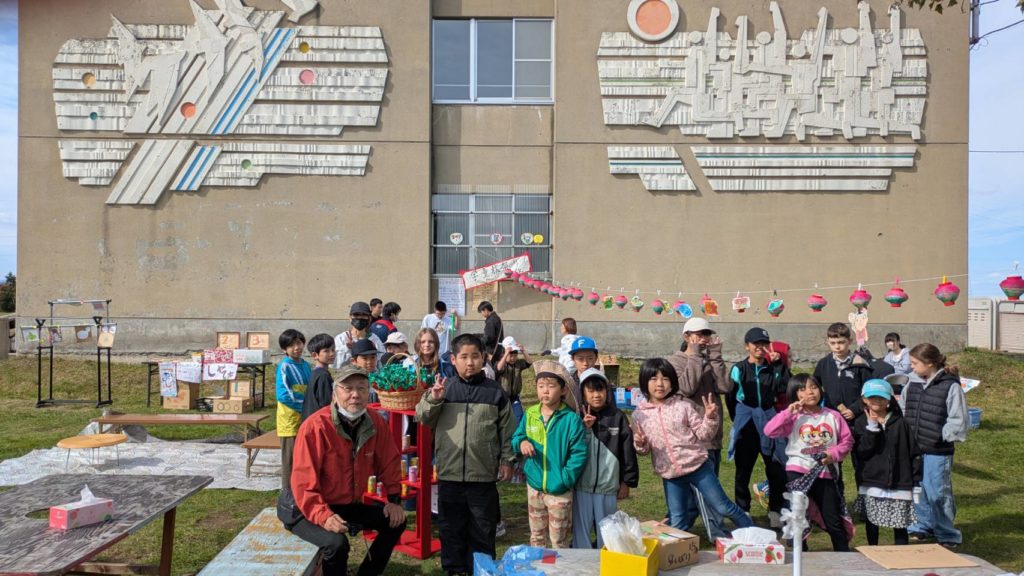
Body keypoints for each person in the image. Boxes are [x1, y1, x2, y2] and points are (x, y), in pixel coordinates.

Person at [288, 365, 407, 576]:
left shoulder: (375, 422)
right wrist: (323, 516)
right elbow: (304, 484)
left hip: (346, 504)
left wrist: (394, 500)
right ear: (334, 394)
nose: (355, 395)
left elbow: (389, 461)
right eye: (348, 388)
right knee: (337, 545)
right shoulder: (315, 427)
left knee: (397, 521)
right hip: (302, 507)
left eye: (361, 388)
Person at [415, 334, 516, 575]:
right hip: (449, 474)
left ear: (484, 358)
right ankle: (454, 569)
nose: (470, 363)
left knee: (483, 529)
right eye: (463, 357)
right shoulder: (444, 388)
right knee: (451, 529)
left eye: (475, 356)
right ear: (453, 359)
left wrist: (507, 460)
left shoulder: (495, 392)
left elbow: (508, 430)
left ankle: (481, 570)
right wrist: (434, 399)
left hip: (482, 475)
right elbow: (422, 416)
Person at [633, 358, 753, 533]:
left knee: (723, 507)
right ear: (644, 382)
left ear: (672, 383)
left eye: (665, 379)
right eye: (653, 379)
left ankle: (756, 535)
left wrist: (710, 418)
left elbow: (704, 434)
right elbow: (643, 450)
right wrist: (640, 444)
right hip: (670, 474)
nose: (660, 384)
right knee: (678, 519)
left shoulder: (683, 406)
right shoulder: (639, 415)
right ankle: (678, 549)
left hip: (698, 467)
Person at [764, 374, 855, 551]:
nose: (810, 392)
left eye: (813, 387)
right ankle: (799, 554)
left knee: (832, 516)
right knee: (798, 516)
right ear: (795, 394)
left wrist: (833, 454)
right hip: (798, 471)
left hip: (825, 472)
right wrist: (788, 412)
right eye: (803, 389)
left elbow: (847, 441)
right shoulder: (793, 417)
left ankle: (843, 553)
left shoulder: (833, 416)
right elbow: (769, 431)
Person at [665, 317, 732, 537]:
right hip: (691, 437)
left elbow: (725, 386)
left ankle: (674, 528)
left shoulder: (709, 360)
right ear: (686, 336)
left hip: (712, 434)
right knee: (707, 494)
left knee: (702, 492)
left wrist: (716, 357)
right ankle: (717, 534)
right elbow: (686, 387)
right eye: (699, 334)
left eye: (707, 334)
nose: (704, 339)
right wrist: (694, 356)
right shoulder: (673, 362)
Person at [512, 360, 588, 549]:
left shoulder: (571, 420)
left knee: (559, 540)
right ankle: (538, 565)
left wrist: (565, 479)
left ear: (563, 390)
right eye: (541, 386)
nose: (545, 391)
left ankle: (560, 566)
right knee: (536, 537)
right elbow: (517, 436)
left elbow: (578, 454)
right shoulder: (530, 414)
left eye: (551, 386)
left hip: (560, 491)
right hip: (534, 487)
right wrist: (522, 443)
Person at [900, 343, 967, 549]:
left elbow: (958, 418)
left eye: (914, 363)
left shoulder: (950, 386)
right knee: (917, 489)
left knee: (937, 492)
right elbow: (903, 407)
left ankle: (946, 533)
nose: (911, 367)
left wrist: (942, 436)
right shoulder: (911, 383)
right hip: (914, 448)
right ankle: (922, 526)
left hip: (937, 450)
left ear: (929, 363)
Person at [726, 327, 789, 528]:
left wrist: (779, 365)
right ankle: (743, 510)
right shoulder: (739, 368)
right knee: (743, 469)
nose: (760, 348)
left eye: (764, 344)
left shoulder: (773, 368)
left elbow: (785, 387)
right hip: (747, 423)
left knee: (775, 468)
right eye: (756, 344)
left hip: (769, 421)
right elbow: (730, 397)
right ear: (747, 346)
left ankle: (775, 510)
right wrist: (739, 419)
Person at [572, 368, 639, 549]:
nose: (596, 395)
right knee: (581, 531)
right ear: (582, 393)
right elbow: (570, 449)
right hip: (581, 486)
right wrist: (584, 428)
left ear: (607, 392)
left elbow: (627, 452)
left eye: (600, 390)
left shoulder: (617, 417)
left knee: (608, 532)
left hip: (608, 486)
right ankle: (581, 560)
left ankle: (607, 559)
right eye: (591, 391)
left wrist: (627, 481)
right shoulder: (576, 417)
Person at [853, 379, 922, 546]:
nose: (877, 401)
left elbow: (913, 452)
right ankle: (873, 550)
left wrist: (915, 479)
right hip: (872, 481)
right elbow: (862, 452)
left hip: (900, 481)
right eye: (872, 397)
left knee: (900, 523)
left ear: (890, 400)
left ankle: (902, 553)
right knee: (872, 521)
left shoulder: (900, 423)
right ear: (864, 399)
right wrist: (872, 428)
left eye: (881, 397)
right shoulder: (861, 422)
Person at [813, 322, 876, 488]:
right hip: (832, 420)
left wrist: (855, 409)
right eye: (833, 343)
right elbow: (815, 387)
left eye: (841, 342)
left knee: (861, 461)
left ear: (850, 341)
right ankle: (836, 497)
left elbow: (869, 392)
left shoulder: (860, 365)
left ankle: (864, 496)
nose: (837, 347)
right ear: (827, 342)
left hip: (858, 420)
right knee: (832, 460)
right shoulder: (824, 364)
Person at [276, 329, 311, 489]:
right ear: (284, 349)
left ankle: (302, 489)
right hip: (290, 420)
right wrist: (304, 406)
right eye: (291, 345)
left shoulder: (306, 365)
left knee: (304, 456)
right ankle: (288, 493)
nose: (297, 348)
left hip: (305, 418)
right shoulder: (284, 366)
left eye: (299, 343)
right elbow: (283, 394)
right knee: (289, 459)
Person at [334, 301, 384, 369]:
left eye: (364, 315)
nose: (360, 318)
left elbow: (381, 364)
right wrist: (346, 349)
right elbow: (335, 365)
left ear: (369, 319)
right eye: (356, 315)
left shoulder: (374, 339)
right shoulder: (341, 339)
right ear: (350, 318)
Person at [496, 336, 532, 424]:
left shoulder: (518, 364)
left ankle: (518, 430)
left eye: (515, 356)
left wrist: (523, 351)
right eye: (510, 356)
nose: (513, 358)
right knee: (502, 417)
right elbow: (498, 368)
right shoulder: (502, 364)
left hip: (514, 396)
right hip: (502, 396)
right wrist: (505, 355)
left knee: (519, 416)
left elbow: (529, 362)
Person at [301, 333, 336, 422]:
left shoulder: (316, 373)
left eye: (333, 349)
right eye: (326, 351)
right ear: (315, 355)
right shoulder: (323, 376)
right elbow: (326, 405)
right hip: (319, 422)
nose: (332, 353)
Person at [565, 336, 600, 412]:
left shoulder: (603, 382)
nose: (585, 363)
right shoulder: (568, 384)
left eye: (590, 358)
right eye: (580, 359)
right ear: (572, 359)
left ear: (596, 358)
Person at [349, 339, 380, 403]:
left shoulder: (380, 378)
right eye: (365, 358)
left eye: (373, 357)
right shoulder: (349, 380)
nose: (370, 362)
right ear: (353, 361)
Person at [478, 301, 504, 366]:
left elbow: (489, 337)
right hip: (498, 349)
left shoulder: (491, 320)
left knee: (491, 368)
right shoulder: (496, 318)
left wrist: (478, 343)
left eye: (481, 312)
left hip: (492, 351)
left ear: (486, 310)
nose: (482, 314)